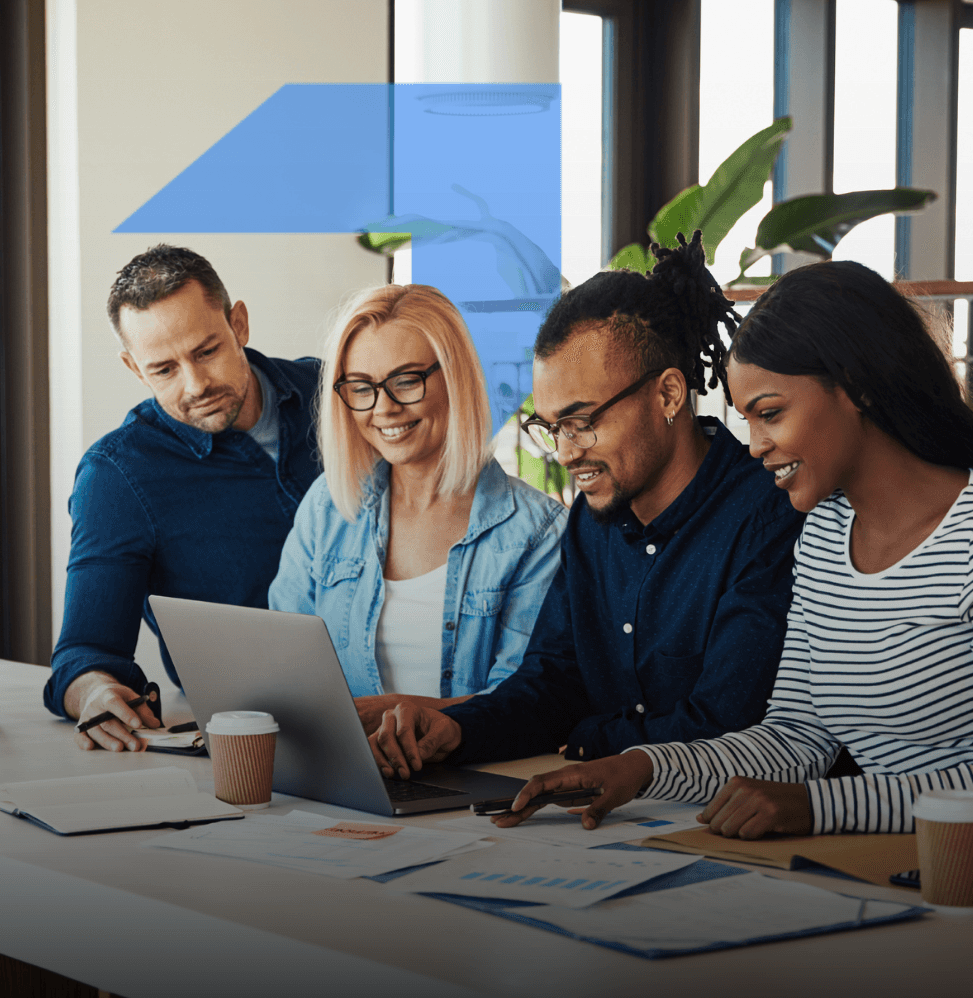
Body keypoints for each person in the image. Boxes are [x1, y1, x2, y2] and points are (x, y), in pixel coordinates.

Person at [497, 260, 973, 859]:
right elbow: (797, 737)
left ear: (853, 387)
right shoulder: (825, 534)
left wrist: (820, 808)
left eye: (769, 412)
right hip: (951, 871)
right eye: (745, 418)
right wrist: (644, 769)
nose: (755, 444)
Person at [367, 234, 803, 776]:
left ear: (668, 395)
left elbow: (724, 724)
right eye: (552, 428)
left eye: (582, 422)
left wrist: (586, 736)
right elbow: (551, 682)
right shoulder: (590, 524)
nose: (567, 453)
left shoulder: (767, 519)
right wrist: (458, 729)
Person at [45, 245, 322, 751]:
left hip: (413, 703)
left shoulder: (340, 394)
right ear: (133, 367)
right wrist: (95, 691)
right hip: (254, 735)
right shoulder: (119, 475)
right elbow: (85, 651)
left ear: (238, 323)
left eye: (206, 351)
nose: (196, 385)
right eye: (164, 370)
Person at [268, 286, 566, 728]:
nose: (383, 408)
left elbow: (522, 700)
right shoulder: (327, 509)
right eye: (362, 387)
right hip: (341, 774)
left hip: (472, 779)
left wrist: (390, 711)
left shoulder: (538, 531)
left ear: (455, 377)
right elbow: (282, 661)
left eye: (406, 381)